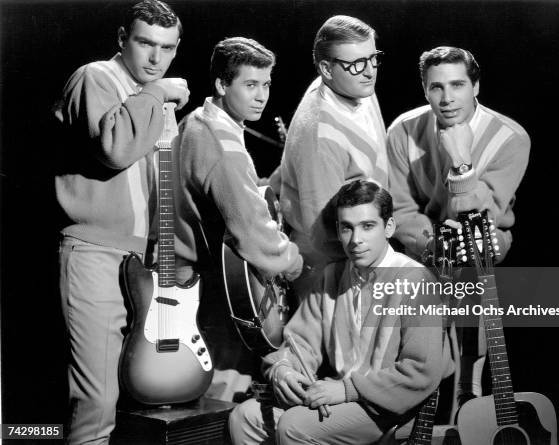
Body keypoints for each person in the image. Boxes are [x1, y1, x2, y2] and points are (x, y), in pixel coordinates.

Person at [53, 1, 188, 443]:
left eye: (167, 48)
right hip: (93, 252)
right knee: (96, 403)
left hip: (134, 260)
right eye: (145, 42)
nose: (155, 58)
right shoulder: (97, 77)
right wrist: (157, 93)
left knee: (130, 402)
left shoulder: (153, 100)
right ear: (121, 39)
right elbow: (114, 148)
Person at [229, 179, 453, 445]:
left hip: (389, 407)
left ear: (389, 227)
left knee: (293, 427)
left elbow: (421, 372)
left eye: (367, 226)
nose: (356, 240)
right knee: (245, 417)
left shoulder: (416, 279)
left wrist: (347, 390)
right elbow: (299, 343)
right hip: (338, 396)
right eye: (347, 228)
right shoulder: (332, 276)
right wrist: (284, 370)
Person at [386, 46, 530, 405]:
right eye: (436, 87)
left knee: (475, 247)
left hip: (486, 234)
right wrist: (436, 246)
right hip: (426, 239)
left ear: (475, 86)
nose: (447, 98)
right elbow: (402, 211)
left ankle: (469, 387)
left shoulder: (511, 137)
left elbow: (478, 217)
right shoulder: (402, 130)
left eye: (458, 85)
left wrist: (462, 161)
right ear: (424, 89)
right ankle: (423, 383)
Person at [173, 37, 303, 402]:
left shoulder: (199, 122)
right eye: (250, 85)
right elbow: (251, 231)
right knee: (220, 392)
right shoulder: (221, 143)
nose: (261, 95)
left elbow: (236, 193)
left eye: (266, 84)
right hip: (209, 287)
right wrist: (294, 262)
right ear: (221, 84)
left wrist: (275, 180)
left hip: (192, 279)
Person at [279, 15, 389, 270]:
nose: (370, 70)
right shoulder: (320, 133)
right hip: (332, 262)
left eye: (373, 58)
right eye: (358, 63)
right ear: (326, 69)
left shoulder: (355, 85)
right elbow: (322, 233)